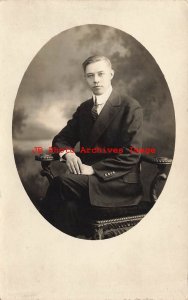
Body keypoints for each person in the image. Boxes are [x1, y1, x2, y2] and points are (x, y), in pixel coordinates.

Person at [41, 55, 144, 235]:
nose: (95, 80)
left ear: (111, 74)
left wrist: (94, 169)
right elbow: (61, 139)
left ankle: (39, 236)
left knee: (61, 182)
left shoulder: (130, 106)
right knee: (68, 207)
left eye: (100, 74)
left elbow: (132, 154)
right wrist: (69, 154)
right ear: (85, 78)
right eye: (90, 76)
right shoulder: (84, 108)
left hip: (117, 182)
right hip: (87, 181)